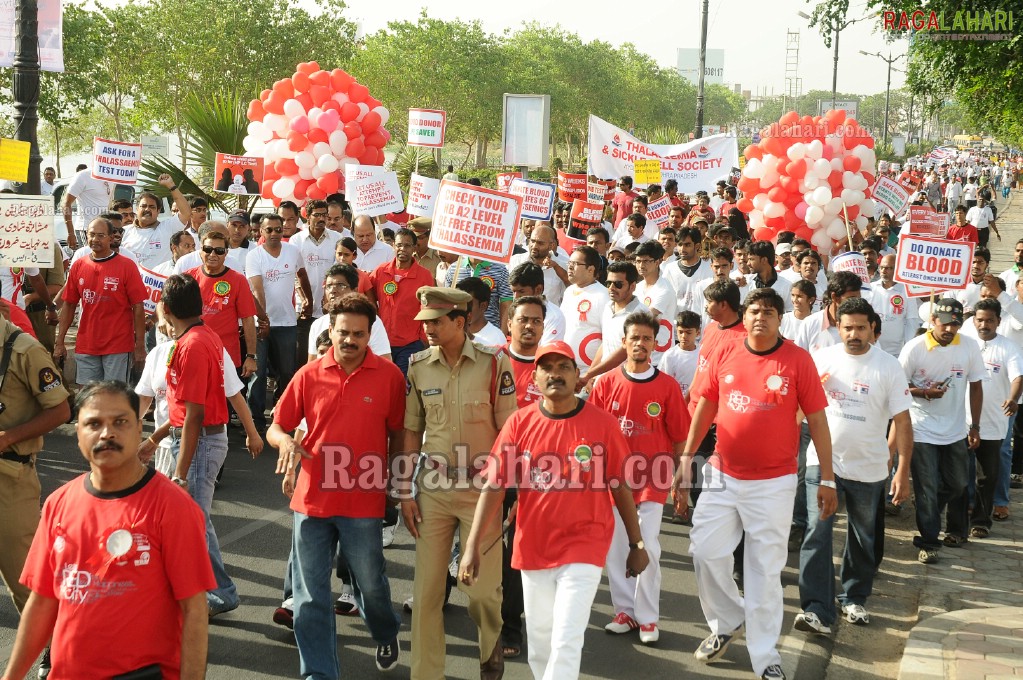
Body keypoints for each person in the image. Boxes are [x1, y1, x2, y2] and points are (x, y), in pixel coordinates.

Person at [458, 341, 650, 680]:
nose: (556, 374)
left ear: (577, 376)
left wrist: (636, 545)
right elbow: (494, 485)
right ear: (536, 377)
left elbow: (620, 486)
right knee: (542, 642)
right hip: (533, 546)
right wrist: (471, 546)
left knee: (566, 638)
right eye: (547, 368)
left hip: (585, 545)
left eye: (564, 367)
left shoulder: (603, 425)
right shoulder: (519, 423)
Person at [674, 288, 836, 680]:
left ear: (780, 319)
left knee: (764, 571)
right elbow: (707, 406)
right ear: (743, 318)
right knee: (705, 552)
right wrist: (684, 458)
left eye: (768, 311)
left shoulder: (798, 361)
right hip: (722, 472)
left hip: (774, 482)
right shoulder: (725, 353)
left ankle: (765, 657)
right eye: (754, 311)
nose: (760, 316)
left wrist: (827, 478)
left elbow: (817, 422)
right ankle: (727, 622)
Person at [3, 381, 213, 679]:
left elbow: (194, 610)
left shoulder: (173, 507)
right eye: (93, 423)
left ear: (139, 428)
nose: (107, 434)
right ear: (78, 435)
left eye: (120, 422)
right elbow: (42, 603)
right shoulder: (58, 503)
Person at [268, 294, 405, 676]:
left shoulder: (391, 378)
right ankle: (318, 672)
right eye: (342, 332)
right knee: (310, 597)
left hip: (365, 503)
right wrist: (286, 442)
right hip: (311, 501)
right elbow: (275, 426)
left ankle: (386, 631)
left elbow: (398, 435)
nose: (349, 340)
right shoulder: (309, 375)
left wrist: (398, 486)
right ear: (330, 330)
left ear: (370, 334)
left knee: (370, 585)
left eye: (358, 334)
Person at [395, 287, 517, 680]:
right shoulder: (417, 366)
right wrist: (404, 493)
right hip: (432, 487)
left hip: (483, 491)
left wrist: (507, 490)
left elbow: (508, 434)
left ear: (459, 322)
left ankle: (490, 648)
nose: (426, 328)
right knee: (427, 592)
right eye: (424, 321)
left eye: (435, 321)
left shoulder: (494, 364)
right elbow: (412, 432)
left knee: (482, 592)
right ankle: (426, 674)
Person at [796, 298, 914, 634]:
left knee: (863, 538)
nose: (853, 334)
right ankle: (817, 609)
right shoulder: (821, 360)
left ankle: (853, 597)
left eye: (861, 327)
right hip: (823, 465)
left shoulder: (889, 366)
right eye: (847, 327)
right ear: (838, 328)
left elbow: (903, 421)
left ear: (873, 329)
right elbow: (799, 413)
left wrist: (902, 471)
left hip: (870, 469)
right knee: (816, 535)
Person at [135, 275, 239, 617]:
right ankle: (204, 589)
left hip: (200, 442)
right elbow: (184, 409)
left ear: (164, 308)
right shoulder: (198, 337)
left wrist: (180, 469)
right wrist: (155, 438)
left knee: (193, 522)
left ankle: (220, 592)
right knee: (194, 521)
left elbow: (194, 414)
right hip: (193, 439)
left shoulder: (192, 345)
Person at [591, 312, 688, 644]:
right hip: (613, 482)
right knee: (617, 549)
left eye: (647, 338)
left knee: (648, 548)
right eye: (635, 338)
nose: (640, 344)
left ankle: (647, 618)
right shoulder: (604, 384)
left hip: (652, 481)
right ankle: (625, 612)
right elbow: (591, 438)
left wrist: (682, 479)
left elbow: (679, 438)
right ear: (624, 341)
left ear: (655, 343)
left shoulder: (668, 387)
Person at [898, 299, 985, 563]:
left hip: (955, 430)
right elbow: (898, 387)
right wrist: (923, 392)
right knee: (927, 487)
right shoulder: (914, 348)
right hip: (921, 429)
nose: (949, 329)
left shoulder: (968, 346)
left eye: (955, 324)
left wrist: (975, 427)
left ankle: (928, 509)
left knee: (958, 483)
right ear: (933, 321)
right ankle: (928, 542)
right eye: (945, 323)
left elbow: (977, 386)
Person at [0, 311, 70, 617]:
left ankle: (56, 648)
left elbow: (60, 411)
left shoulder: (25, 349)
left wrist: (7, 438)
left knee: (26, 579)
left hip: (10, 478)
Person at [953, 298, 1022, 537]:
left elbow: (1018, 378)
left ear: (998, 322)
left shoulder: (1009, 348)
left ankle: (981, 521)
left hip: (993, 423)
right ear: (974, 320)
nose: (984, 324)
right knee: (958, 475)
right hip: (959, 421)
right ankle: (958, 523)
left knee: (987, 475)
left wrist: (1013, 399)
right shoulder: (964, 345)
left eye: (989, 320)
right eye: (980, 320)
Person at [54, 217, 147, 385]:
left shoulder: (127, 266)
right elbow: (69, 304)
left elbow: (138, 307)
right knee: (89, 398)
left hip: (118, 346)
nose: (94, 239)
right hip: (86, 344)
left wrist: (139, 345)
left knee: (114, 397)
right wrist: (60, 341)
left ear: (111, 238)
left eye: (100, 235)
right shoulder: (79, 266)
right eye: (91, 235)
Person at [246, 214, 313, 430]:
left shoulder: (293, 251)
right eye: (269, 230)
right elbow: (256, 290)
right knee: (259, 373)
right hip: (260, 324)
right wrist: (263, 320)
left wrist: (308, 300)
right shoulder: (254, 256)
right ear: (261, 232)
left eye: (278, 229)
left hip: (287, 323)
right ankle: (255, 420)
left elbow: (302, 275)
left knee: (287, 372)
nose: (274, 233)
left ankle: (283, 412)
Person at [184, 228, 258, 377]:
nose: (212, 254)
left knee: (229, 400)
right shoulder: (188, 277)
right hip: (194, 353)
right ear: (201, 251)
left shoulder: (238, 280)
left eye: (218, 250)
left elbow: (248, 319)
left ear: (226, 253)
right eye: (208, 249)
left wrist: (250, 356)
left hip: (227, 356)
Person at [370, 227, 435, 374]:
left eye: (407, 245)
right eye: (399, 245)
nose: (402, 249)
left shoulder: (424, 276)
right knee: (383, 383)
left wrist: (422, 339)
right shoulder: (381, 271)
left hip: (410, 344)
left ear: (414, 248)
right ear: (393, 245)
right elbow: (367, 291)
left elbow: (429, 309)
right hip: (382, 342)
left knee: (403, 386)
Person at [584, 262, 650, 385]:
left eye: (618, 284)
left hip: (627, 382)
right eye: (608, 283)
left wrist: (590, 374)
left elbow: (624, 353)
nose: (611, 288)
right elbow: (606, 344)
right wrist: (591, 375)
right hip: (604, 380)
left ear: (632, 286)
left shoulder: (641, 315)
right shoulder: (608, 307)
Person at [120, 175, 192, 270]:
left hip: (158, 283)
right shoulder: (124, 232)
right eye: (144, 206)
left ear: (158, 211)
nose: (147, 209)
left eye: (152, 207)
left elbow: (186, 213)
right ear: (137, 209)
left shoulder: (168, 228)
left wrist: (171, 186)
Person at [633, 240, 677, 365]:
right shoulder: (637, 287)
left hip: (660, 356)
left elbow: (646, 317)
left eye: (646, 261)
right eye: (638, 261)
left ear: (657, 262)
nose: (641, 265)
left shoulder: (664, 289)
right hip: (642, 352)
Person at [443, 258, 514, 332]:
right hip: (458, 331)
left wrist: (502, 334)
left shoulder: (500, 270)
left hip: (490, 332)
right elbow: (447, 302)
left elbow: (506, 304)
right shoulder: (454, 268)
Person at [870, 254, 920, 356]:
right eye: (882, 267)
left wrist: (908, 349)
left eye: (889, 268)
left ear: (897, 269)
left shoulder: (906, 291)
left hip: (897, 352)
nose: (883, 271)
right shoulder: (871, 288)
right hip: (872, 350)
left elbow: (912, 321)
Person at [508, 224, 569, 306]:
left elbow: (571, 292)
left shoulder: (562, 266)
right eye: (532, 241)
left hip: (550, 317)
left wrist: (556, 267)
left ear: (552, 245)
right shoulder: (515, 261)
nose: (534, 246)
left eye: (540, 243)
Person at [509, 262, 566, 345]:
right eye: (513, 291)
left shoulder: (554, 317)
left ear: (538, 289)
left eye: (521, 291)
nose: (515, 297)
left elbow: (547, 355)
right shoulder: (515, 310)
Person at [60, 166, 112, 250]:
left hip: (105, 229)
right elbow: (66, 203)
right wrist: (70, 233)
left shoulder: (112, 177)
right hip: (86, 229)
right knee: (89, 258)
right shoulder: (83, 176)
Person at [662, 227, 712, 314]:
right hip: (677, 323)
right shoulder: (670, 269)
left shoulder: (709, 267)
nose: (682, 249)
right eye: (680, 244)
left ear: (697, 246)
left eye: (687, 245)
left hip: (702, 322)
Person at [658, 310, 702, 401]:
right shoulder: (669, 356)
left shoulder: (703, 354)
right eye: (680, 332)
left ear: (698, 333)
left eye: (688, 332)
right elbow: (662, 383)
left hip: (696, 403)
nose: (683, 336)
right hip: (675, 403)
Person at [458, 277, 507, 348]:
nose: (461, 309)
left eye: (467, 304)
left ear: (483, 306)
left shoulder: (496, 339)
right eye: (458, 303)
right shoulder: (451, 332)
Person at [746, 241, 793, 311]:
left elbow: (790, 312)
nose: (748, 263)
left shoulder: (786, 285)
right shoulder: (746, 282)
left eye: (751, 259)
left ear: (764, 260)